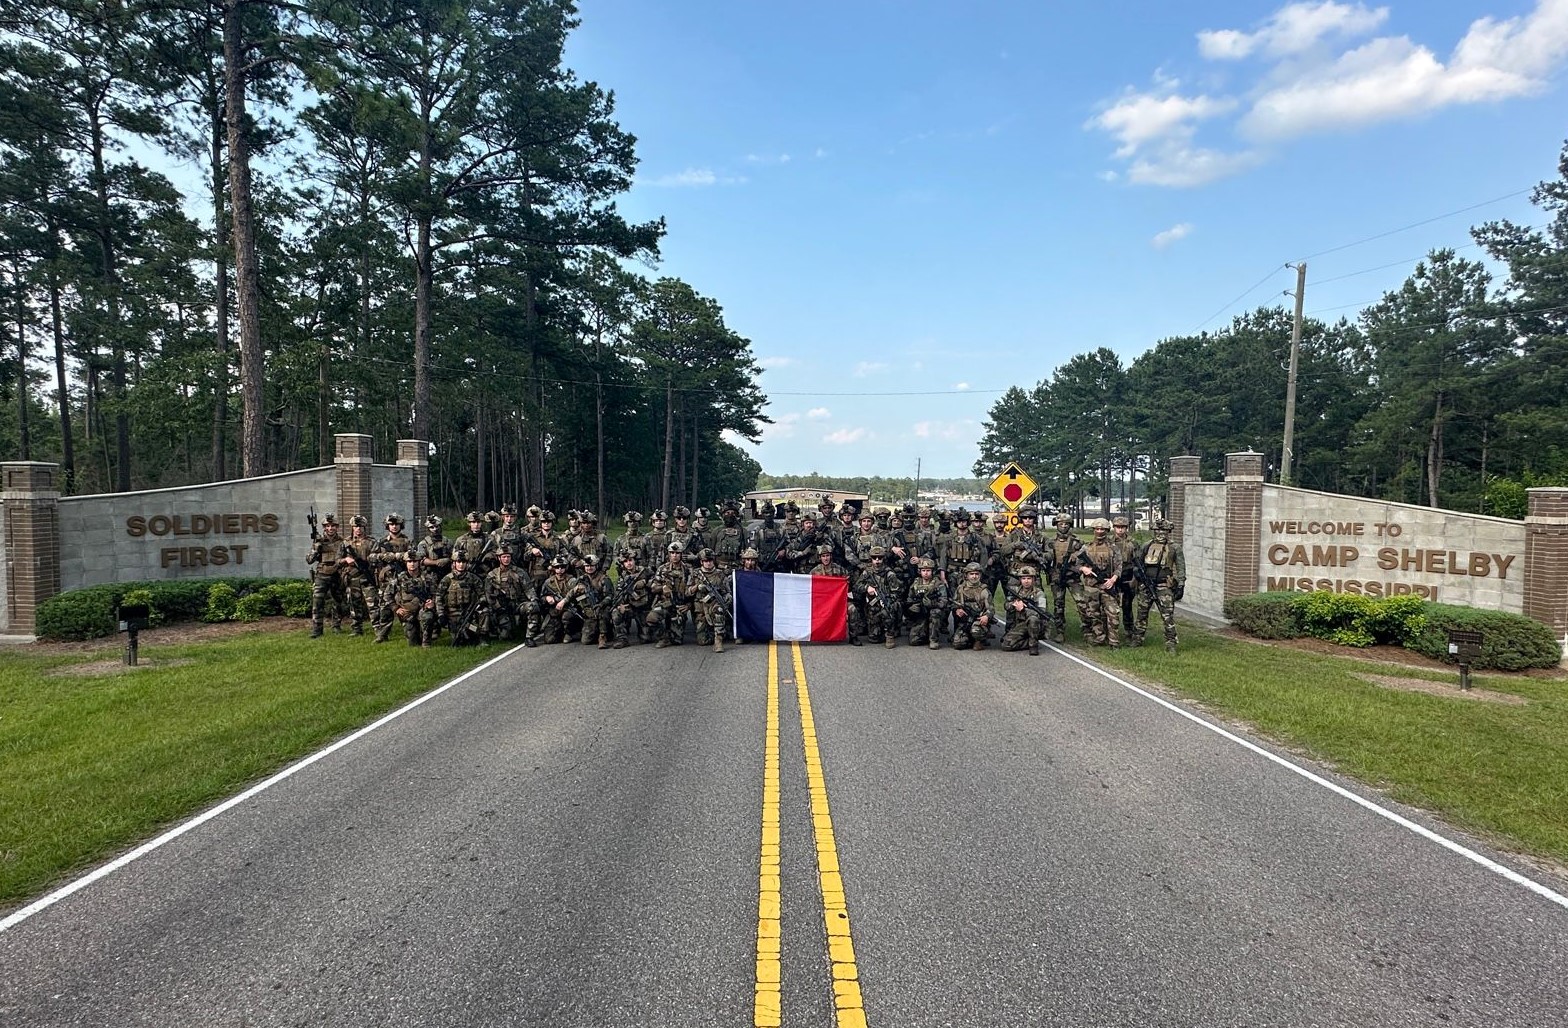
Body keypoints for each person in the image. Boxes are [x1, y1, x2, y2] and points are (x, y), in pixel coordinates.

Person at [1131, 517, 1186, 652]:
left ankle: (1171, 642)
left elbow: (1180, 567)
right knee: (1141, 614)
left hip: (1164, 586)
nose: (1161, 533)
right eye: (1158, 530)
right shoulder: (1147, 545)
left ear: (1168, 532)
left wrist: (1181, 584)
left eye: (1164, 531)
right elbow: (1138, 562)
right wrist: (1137, 573)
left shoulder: (1174, 548)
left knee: (1167, 615)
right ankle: (1137, 639)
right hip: (1146, 585)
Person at [1074, 518, 1124, 647]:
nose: (1100, 532)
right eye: (1097, 529)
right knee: (1093, 614)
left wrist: (1113, 579)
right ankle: (1099, 637)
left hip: (1108, 585)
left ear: (1107, 531)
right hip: (1091, 587)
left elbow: (1119, 566)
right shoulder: (1086, 547)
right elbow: (1076, 564)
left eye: (1102, 529)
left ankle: (1114, 641)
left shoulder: (1113, 548)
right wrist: (1083, 568)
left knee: (1113, 614)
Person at [306, 513, 349, 637]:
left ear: (337, 527)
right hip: (322, 575)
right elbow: (309, 560)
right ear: (324, 527)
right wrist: (316, 549)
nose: (330, 528)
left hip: (337, 574)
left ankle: (336, 626)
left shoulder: (342, 542)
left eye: (333, 526)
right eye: (328, 526)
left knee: (338, 602)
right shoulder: (318, 541)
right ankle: (317, 629)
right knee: (318, 602)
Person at [1046, 512, 1086, 643]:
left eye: (1066, 524)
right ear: (1056, 525)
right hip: (1057, 577)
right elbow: (1046, 559)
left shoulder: (1077, 542)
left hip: (1073, 577)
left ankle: (1088, 630)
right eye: (1060, 524)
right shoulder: (1050, 542)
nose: (1063, 526)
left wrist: (1076, 559)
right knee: (1058, 605)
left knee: (1082, 603)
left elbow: (1085, 558)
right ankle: (1060, 631)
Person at [486, 548, 538, 645]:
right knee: (506, 636)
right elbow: (488, 595)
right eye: (504, 557)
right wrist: (497, 607)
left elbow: (528, 588)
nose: (506, 559)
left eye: (508, 557)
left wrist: (533, 599)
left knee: (533, 607)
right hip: (502, 608)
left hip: (518, 604)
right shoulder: (492, 575)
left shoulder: (519, 572)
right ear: (499, 558)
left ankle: (529, 637)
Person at [385, 552, 438, 648]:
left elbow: (436, 594)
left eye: (414, 561)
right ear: (405, 563)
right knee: (413, 643)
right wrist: (396, 608)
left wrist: (432, 602)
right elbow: (387, 594)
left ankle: (426, 643)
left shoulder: (427, 578)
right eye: (409, 561)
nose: (412, 564)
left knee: (428, 616)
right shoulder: (399, 578)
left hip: (423, 610)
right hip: (407, 613)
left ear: (419, 562)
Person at [647, 542, 692, 647]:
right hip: (665, 603)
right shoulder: (663, 568)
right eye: (672, 553)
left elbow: (693, 591)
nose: (674, 555)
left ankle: (673, 631)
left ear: (681, 554)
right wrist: (662, 588)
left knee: (677, 641)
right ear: (669, 554)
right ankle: (663, 637)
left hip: (680, 606)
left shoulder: (688, 570)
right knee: (651, 619)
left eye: (677, 553)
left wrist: (689, 605)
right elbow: (653, 587)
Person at [436, 553, 487, 645]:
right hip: (453, 615)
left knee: (484, 613)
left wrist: (481, 603)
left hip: (470, 612)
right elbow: (438, 597)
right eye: (458, 562)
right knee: (458, 640)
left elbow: (482, 594)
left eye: (463, 562)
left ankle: (482, 637)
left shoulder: (473, 578)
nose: (461, 564)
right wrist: (441, 614)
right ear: (454, 563)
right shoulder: (447, 579)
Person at [854, 546, 899, 648]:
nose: (877, 561)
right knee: (874, 639)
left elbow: (896, 592)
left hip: (887, 603)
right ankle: (878, 629)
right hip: (872, 605)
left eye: (880, 558)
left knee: (889, 610)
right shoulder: (867, 572)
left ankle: (890, 634)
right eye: (875, 558)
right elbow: (857, 586)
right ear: (871, 559)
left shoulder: (889, 574)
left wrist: (889, 600)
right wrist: (867, 588)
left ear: (884, 559)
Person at [1000, 565, 1049, 655]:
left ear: (1033, 580)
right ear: (1020, 580)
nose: (1026, 581)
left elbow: (1041, 613)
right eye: (1023, 578)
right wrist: (1013, 605)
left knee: (1033, 619)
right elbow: (1006, 605)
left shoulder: (1039, 594)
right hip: (1020, 624)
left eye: (1029, 578)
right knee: (1006, 645)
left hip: (1035, 626)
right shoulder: (1015, 591)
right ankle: (1027, 641)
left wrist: (1023, 609)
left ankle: (1033, 645)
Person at [340, 514, 376, 636]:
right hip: (352, 578)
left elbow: (377, 559)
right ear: (352, 527)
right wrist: (346, 560)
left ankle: (378, 630)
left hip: (367, 577)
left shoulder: (371, 542)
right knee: (354, 605)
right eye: (356, 526)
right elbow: (337, 559)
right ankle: (356, 629)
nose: (358, 529)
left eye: (360, 526)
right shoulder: (346, 542)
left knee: (373, 605)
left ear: (365, 527)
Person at [690, 548, 731, 652]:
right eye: (705, 561)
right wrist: (697, 587)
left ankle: (718, 641)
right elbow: (687, 591)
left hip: (715, 605)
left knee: (719, 611)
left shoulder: (720, 574)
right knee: (702, 641)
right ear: (701, 562)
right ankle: (716, 632)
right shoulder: (695, 574)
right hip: (701, 609)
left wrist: (726, 599)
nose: (708, 563)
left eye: (710, 561)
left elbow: (727, 592)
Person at [904, 556, 949, 649]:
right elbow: (909, 599)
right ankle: (925, 632)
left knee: (935, 613)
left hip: (934, 612)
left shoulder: (938, 584)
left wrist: (932, 604)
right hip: (921, 614)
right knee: (913, 641)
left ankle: (933, 639)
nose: (926, 573)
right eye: (923, 570)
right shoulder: (916, 583)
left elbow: (944, 601)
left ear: (932, 571)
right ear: (919, 571)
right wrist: (913, 607)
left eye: (928, 570)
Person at [949, 561, 996, 650]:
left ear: (980, 575)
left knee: (976, 631)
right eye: (971, 574)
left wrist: (986, 616)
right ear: (966, 575)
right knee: (957, 644)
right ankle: (968, 638)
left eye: (977, 574)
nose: (974, 576)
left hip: (978, 621)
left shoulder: (984, 590)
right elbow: (954, 603)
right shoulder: (960, 589)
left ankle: (980, 640)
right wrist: (957, 610)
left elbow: (991, 608)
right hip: (965, 621)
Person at [611, 552, 653, 647]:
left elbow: (656, 582)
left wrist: (645, 582)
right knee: (615, 612)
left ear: (635, 561)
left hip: (644, 607)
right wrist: (620, 605)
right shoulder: (621, 578)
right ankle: (622, 639)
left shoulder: (645, 571)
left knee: (646, 638)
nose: (628, 563)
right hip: (630, 608)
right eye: (625, 561)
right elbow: (617, 595)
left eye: (630, 560)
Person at [577, 553, 614, 648]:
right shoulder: (582, 579)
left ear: (596, 566)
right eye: (587, 566)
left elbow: (610, 596)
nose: (589, 568)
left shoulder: (604, 578)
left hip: (602, 608)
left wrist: (601, 604)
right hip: (589, 610)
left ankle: (603, 636)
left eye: (592, 566)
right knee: (586, 640)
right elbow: (576, 595)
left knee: (602, 613)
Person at [1111, 515, 1138, 639]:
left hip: (1128, 576)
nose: (1120, 530)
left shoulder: (1132, 543)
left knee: (1127, 605)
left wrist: (1135, 579)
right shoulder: (1109, 542)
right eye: (1118, 527)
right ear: (1114, 527)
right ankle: (1111, 631)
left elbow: (1138, 562)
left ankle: (1129, 631)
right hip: (1113, 576)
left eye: (1123, 527)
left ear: (1127, 528)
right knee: (1111, 604)